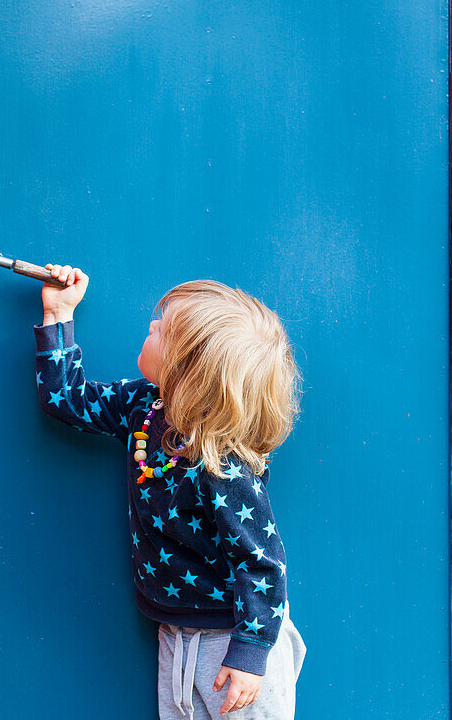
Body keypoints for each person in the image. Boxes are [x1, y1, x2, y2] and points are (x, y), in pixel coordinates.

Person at [33, 262, 307, 719]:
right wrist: (58, 314)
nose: (151, 324)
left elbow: (261, 561)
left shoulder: (223, 464)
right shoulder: (145, 406)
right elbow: (68, 402)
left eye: (164, 330)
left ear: (189, 368)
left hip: (232, 641)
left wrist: (251, 651)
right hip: (174, 632)